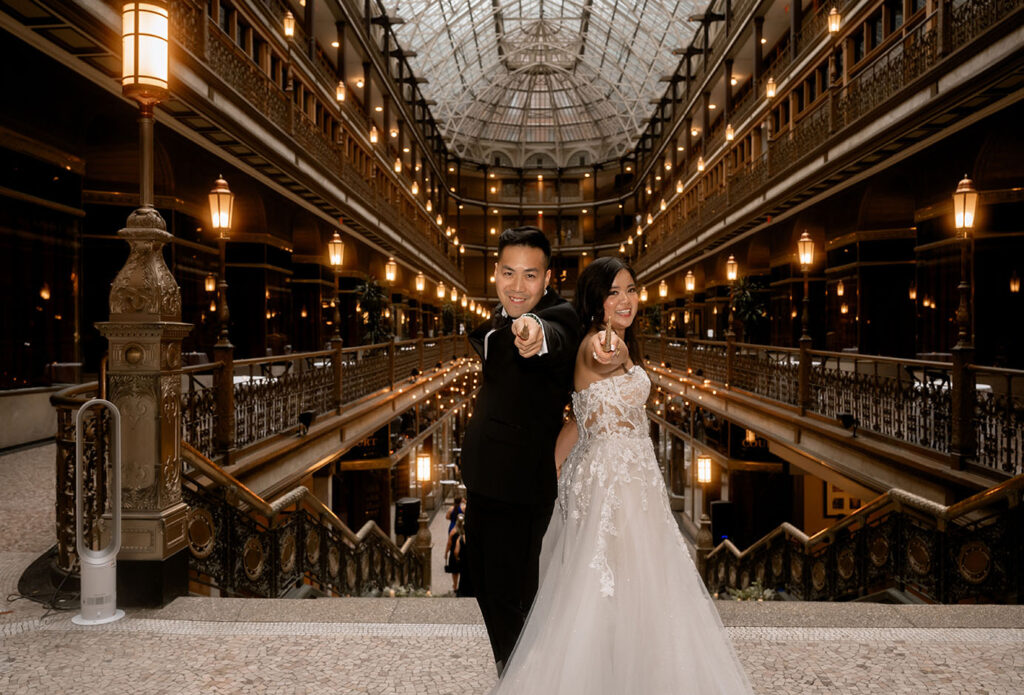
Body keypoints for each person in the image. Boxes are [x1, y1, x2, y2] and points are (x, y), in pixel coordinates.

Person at [491, 257, 753, 694]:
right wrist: (611, 350)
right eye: (613, 292)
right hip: (614, 483)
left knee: (631, 587)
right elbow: (601, 356)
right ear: (597, 300)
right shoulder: (603, 343)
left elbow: (579, 423)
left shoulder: (610, 343)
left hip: (625, 477)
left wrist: (550, 475)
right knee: (607, 585)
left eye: (630, 289)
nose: (626, 300)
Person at [461, 226, 581, 676]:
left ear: (547, 278)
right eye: (508, 273)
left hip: (521, 486)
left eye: (529, 276)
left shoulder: (559, 316)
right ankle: (509, 669)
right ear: (495, 272)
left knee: (517, 598)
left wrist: (534, 331)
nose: (517, 285)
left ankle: (524, 677)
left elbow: (553, 335)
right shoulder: (498, 314)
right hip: (482, 477)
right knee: (487, 588)